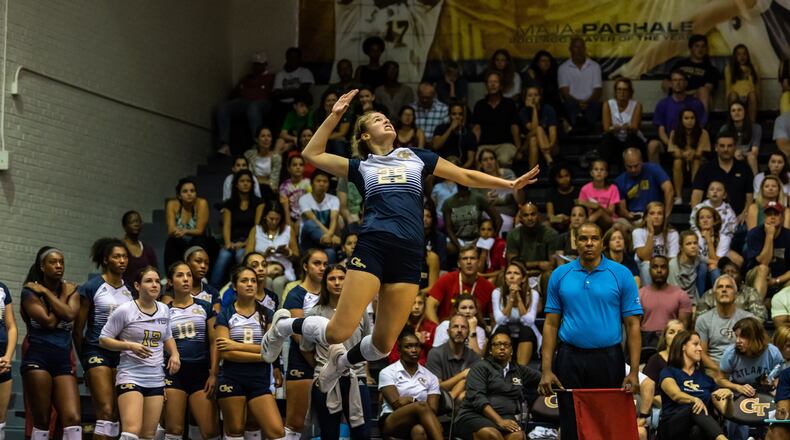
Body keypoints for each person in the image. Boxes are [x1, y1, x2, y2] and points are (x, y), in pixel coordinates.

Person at [259, 88, 538, 407]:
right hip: (374, 246)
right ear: (364, 135)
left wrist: (508, 184)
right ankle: (282, 324)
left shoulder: (417, 157)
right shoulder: (361, 167)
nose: (386, 120)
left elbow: (463, 174)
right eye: (378, 119)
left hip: (409, 255)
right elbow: (312, 154)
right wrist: (335, 115)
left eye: (386, 117)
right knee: (337, 332)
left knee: (380, 344)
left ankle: (342, 363)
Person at [539, 222, 642, 437]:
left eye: (594, 238)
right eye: (583, 239)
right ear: (575, 242)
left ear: (602, 243)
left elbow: (632, 325)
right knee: (570, 420)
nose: (589, 243)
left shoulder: (621, 274)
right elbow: (550, 324)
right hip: (569, 358)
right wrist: (546, 370)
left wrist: (633, 371)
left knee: (606, 419)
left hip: (608, 358)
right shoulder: (560, 275)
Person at [99, 266, 179, 440]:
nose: (155, 285)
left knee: (148, 435)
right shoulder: (125, 310)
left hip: (155, 377)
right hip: (131, 375)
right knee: (131, 432)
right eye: (149, 281)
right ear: (137, 286)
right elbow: (104, 339)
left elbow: (167, 336)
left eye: (157, 281)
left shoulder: (165, 309)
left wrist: (174, 354)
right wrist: (130, 346)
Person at [304, 264, 373, 439]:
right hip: (326, 379)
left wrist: (365, 371)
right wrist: (324, 368)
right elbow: (306, 348)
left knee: (362, 434)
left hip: (356, 377)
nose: (337, 282)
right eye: (332, 278)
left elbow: (366, 345)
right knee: (329, 434)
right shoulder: (315, 313)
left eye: (341, 278)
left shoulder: (360, 310)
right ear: (325, 283)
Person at [215, 267, 284, 440]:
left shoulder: (268, 314)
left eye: (253, 280)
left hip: (259, 380)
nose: (250, 284)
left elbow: (272, 350)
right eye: (244, 281)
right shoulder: (225, 314)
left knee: (276, 431)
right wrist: (262, 355)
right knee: (235, 429)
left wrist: (234, 345)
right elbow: (225, 354)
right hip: (232, 377)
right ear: (235, 287)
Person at [75, 238, 133, 440]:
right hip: (96, 350)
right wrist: (86, 361)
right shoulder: (92, 287)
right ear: (106, 259)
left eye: (125, 256)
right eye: (117, 256)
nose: (122, 260)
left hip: (121, 354)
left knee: (116, 415)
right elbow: (78, 328)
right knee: (106, 412)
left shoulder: (131, 291)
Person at [21, 247, 82, 440]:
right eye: (53, 262)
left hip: (62, 358)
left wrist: (48, 293)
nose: (58, 266)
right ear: (42, 266)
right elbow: (48, 322)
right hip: (38, 357)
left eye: (61, 262)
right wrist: (55, 294)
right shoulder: (30, 292)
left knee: (73, 417)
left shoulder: (72, 290)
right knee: (42, 419)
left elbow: (70, 314)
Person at [162, 262, 219, 440]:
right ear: (170, 282)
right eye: (180, 275)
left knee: (210, 431)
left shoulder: (205, 307)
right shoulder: (164, 310)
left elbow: (214, 341)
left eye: (188, 275)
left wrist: (214, 373)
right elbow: (158, 345)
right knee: (174, 430)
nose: (186, 279)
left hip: (201, 372)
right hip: (174, 373)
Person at [455, 330, 541, 440]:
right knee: (492, 435)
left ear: (511, 350)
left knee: (518, 436)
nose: (502, 347)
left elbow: (543, 379)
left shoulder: (518, 370)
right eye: (497, 344)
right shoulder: (480, 367)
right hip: (474, 415)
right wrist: (499, 421)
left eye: (506, 345)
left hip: (505, 416)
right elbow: (478, 399)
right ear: (490, 350)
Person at [280, 249, 327, 439]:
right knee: (296, 422)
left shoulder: (331, 292)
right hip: (303, 361)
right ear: (306, 266)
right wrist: (318, 364)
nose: (322, 268)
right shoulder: (296, 294)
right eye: (317, 263)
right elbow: (298, 336)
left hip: (328, 361)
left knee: (327, 421)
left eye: (325, 264)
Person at [657, 330, 733, 440]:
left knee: (697, 430)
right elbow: (675, 395)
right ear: (683, 346)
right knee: (695, 407)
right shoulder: (668, 372)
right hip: (672, 427)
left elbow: (726, 413)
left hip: (699, 429)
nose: (700, 349)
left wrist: (729, 398)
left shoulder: (707, 380)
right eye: (695, 344)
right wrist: (694, 399)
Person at [718, 317, 783, 440]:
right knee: (735, 420)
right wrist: (738, 387)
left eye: (743, 337)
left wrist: (773, 384)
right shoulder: (731, 353)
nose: (738, 341)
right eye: (736, 336)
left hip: (765, 393)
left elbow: (779, 377)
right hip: (739, 393)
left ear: (755, 337)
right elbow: (720, 379)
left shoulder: (772, 352)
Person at [377, 330, 443, 440]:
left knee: (419, 431)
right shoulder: (387, 372)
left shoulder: (431, 377)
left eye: (417, 346)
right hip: (392, 420)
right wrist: (417, 404)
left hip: (420, 422)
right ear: (399, 350)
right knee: (421, 406)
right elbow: (396, 405)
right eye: (408, 346)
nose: (414, 350)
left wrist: (411, 400)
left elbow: (433, 410)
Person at [210, 170, 263, 287]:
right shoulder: (229, 204)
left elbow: (257, 226)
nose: (245, 184)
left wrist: (246, 243)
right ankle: (212, 290)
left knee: (241, 256)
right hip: (233, 241)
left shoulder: (259, 203)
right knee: (223, 256)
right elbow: (227, 225)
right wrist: (228, 243)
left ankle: (243, 286)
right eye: (242, 181)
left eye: (248, 181)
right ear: (236, 184)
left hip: (250, 242)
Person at [216, 51, 274, 156]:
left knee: (253, 107)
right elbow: (234, 94)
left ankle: (258, 144)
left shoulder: (270, 77)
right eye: (255, 64)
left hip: (263, 103)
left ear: (265, 64)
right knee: (223, 107)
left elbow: (274, 95)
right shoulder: (246, 78)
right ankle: (224, 145)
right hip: (244, 102)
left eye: (260, 64)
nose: (257, 67)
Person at [691, 133, 755, 224]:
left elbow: (750, 198)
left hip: (739, 221)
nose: (726, 149)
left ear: (735, 147)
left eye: (729, 146)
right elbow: (696, 195)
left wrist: (743, 215)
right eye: (722, 146)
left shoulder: (745, 169)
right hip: (709, 222)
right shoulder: (705, 169)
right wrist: (697, 217)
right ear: (716, 147)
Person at [695, 275, 755, 371]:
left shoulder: (748, 318)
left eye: (728, 287)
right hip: (714, 369)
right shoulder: (703, 320)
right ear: (714, 294)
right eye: (720, 287)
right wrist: (719, 369)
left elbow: (753, 348)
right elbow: (701, 353)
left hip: (742, 368)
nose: (724, 290)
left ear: (735, 294)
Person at [647, 70, 707, 164]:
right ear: (671, 83)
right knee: (652, 145)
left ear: (686, 83)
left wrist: (691, 147)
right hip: (669, 144)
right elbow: (661, 131)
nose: (678, 83)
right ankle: (657, 177)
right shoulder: (663, 104)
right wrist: (671, 146)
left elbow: (700, 127)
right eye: (675, 80)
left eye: (680, 80)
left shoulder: (695, 103)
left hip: (691, 143)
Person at [426, 244, 494, 324]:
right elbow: (429, 306)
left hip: (475, 331)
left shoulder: (488, 287)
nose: (469, 262)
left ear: (478, 262)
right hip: (446, 331)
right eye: (465, 258)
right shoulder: (446, 279)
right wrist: (438, 330)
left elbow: (493, 318)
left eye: (472, 258)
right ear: (458, 263)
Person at [491, 262, 540, 365]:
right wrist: (511, 300)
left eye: (516, 273)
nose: (512, 276)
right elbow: (500, 320)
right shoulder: (497, 293)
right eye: (509, 273)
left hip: (527, 338)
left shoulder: (533, 294)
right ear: (505, 278)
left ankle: (520, 372)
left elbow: (529, 321)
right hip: (506, 337)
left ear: (523, 278)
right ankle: (502, 370)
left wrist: (518, 297)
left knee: (526, 330)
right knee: (502, 329)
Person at [245, 200, 298, 297]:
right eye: (271, 218)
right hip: (262, 269)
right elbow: (247, 256)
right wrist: (264, 255)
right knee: (267, 281)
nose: (274, 222)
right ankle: (266, 309)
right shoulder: (256, 230)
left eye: (277, 219)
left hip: (284, 269)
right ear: (265, 217)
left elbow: (297, 257)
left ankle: (279, 311)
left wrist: (288, 253)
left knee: (278, 283)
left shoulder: (288, 230)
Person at [639, 320, 686, 428]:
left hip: (688, 404)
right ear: (665, 337)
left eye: (680, 333)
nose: (676, 336)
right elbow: (649, 391)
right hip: (661, 407)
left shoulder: (691, 359)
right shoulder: (655, 360)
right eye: (671, 332)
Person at [639, 255, 693, 348]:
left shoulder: (681, 295)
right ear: (649, 270)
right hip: (646, 340)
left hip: (672, 341)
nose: (659, 270)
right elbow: (634, 327)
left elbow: (683, 329)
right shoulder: (639, 295)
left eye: (663, 267)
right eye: (655, 267)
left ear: (668, 270)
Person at [471, 71, 521, 168]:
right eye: (490, 82)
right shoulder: (480, 105)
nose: (493, 84)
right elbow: (477, 128)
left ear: (501, 85)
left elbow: (514, 126)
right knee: (480, 161)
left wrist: (518, 147)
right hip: (485, 144)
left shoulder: (509, 104)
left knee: (503, 160)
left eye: (496, 82)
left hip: (505, 144)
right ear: (486, 85)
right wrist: (473, 148)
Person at [425, 314, 480, 400]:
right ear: (448, 331)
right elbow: (435, 389)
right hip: (439, 402)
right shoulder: (435, 354)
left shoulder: (474, 357)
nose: (459, 330)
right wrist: (462, 375)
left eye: (463, 327)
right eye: (455, 326)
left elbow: (475, 388)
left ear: (468, 332)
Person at [744, 201, 790, 299]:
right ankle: (757, 309)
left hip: (780, 278)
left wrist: (777, 280)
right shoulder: (754, 234)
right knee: (763, 268)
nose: (772, 217)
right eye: (769, 214)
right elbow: (764, 261)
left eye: (776, 214)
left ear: (782, 217)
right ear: (765, 217)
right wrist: (769, 236)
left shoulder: (788, 236)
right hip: (755, 276)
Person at [698, 257, 766, 322]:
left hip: (744, 330)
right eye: (725, 272)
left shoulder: (750, 292)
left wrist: (742, 327)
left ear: (740, 277)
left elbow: (760, 316)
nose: (729, 275)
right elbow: (700, 318)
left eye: (733, 272)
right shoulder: (710, 294)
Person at [614, 148, 674, 221]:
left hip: (655, 214)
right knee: (619, 224)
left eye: (636, 166)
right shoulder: (620, 180)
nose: (633, 169)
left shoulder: (654, 169)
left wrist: (666, 215)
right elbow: (622, 209)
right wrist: (629, 216)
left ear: (641, 161)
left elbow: (669, 190)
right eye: (629, 167)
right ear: (624, 164)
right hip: (635, 217)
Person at [164, 177, 210, 270]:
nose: (189, 194)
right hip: (180, 239)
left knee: (199, 240)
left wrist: (184, 231)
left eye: (192, 191)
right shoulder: (172, 204)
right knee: (172, 241)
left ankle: (200, 275)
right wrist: (180, 232)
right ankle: (172, 273)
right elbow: (171, 230)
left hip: (198, 239)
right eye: (185, 191)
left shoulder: (202, 203)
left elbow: (200, 230)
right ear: (179, 195)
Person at [558, 36, 602, 132]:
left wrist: (586, 102)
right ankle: (577, 127)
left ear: (585, 49)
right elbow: (565, 93)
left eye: (581, 47)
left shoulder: (595, 66)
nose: (579, 50)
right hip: (572, 103)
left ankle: (586, 127)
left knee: (597, 105)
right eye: (576, 47)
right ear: (570, 49)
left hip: (591, 103)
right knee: (569, 104)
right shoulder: (563, 68)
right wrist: (579, 103)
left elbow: (597, 92)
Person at [669, 35, 720, 114]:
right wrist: (677, 89)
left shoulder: (711, 69)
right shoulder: (680, 64)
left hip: (697, 98)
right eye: (697, 46)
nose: (700, 49)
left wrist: (685, 93)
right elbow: (665, 83)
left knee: (703, 91)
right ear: (690, 48)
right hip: (678, 96)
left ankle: (703, 124)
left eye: (703, 46)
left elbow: (707, 89)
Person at [669, 108, 711, 204]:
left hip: (700, 161)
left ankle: (694, 195)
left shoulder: (703, 133)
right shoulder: (674, 133)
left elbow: (701, 153)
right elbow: (674, 152)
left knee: (696, 162)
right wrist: (684, 154)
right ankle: (679, 196)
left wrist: (693, 153)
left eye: (692, 118)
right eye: (686, 118)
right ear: (681, 120)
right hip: (682, 160)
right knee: (677, 162)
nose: (689, 121)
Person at [443, 183, 499, 255]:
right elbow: (448, 229)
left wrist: (491, 237)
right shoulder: (448, 202)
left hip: (478, 239)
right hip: (457, 240)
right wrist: (460, 247)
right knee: (447, 247)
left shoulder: (478, 198)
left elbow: (498, 219)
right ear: (455, 181)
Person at [298, 170, 340, 262]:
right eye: (318, 181)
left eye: (325, 181)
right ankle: (329, 242)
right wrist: (330, 237)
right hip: (308, 240)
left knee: (331, 253)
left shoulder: (334, 199)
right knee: (310, 223)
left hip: (327, 241)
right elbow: (313, 219)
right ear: (312, 183)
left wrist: (329, 234)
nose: (322, 184)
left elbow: (334, 219)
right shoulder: (304, 199)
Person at [633, 201, 679, 284]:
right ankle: (649, 296)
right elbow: (645, 257)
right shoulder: (638, 232)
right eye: (652, 213)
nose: (656, 216)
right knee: (646, 265)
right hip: (643, 268)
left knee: (672, 265)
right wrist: (651, 233)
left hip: (665, 267)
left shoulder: (673, 234)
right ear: (646, 217)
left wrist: (659, 268)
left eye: (660, 213)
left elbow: (672, 260)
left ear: (664, 217)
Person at [506, 202, 558, 275]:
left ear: (539, 216)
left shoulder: (551, 234)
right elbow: (513, 264)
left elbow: (551, 265)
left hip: (543, 275)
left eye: (533, 214)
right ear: (520, 218)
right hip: (521, 275)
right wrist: (538, 264)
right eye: (526, 215)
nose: (530, 218)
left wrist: (525, 265)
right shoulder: (512, 235)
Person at [161, 246, 220, 311]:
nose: (203, 266)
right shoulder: (173, 288)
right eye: (198, 261)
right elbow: (167, 314)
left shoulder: (212, 292)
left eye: (207, 263)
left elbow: (216, 317)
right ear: (187, 262)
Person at [602, 78, 645, 165]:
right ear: (615, 91)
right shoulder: (607, 104)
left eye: (625, 90)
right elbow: (606, 128)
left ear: (630, 92)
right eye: (619, 89)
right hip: (615, 137)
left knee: (631, 138)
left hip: (631, 138)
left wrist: (628, 127)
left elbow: (635, 127)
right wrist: (613, 128)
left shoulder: (637, 105)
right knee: (607, 139)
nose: (622, 92)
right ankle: (604, 169)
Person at [473, 148, 517, 233]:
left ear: (496, 161)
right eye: (485, 160)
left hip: (507, 214)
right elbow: (474, 203)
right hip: (487, 217)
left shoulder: (508, 174)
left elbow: (515, 197)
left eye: (491, 158)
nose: (489, 162)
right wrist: (486, 201)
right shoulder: (477, 180)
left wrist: (499, 201)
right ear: (481, 164)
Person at [388, 292, 437, 366]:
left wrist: (424, 343)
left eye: (420, 303)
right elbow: (392, 355)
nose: (417, 307)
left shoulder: (432, 327)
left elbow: (436, 356)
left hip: (425, 369)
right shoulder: (399, 326)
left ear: (424, 305)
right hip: (401, 368)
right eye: (413, 303)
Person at [520, 85, 559, 169]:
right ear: (525, 98)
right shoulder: (523, 112)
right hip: (528, 146)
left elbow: (553, 133)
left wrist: (549, 146)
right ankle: (548, 158)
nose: (533, 98)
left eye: (536, 95)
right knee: (537, 131)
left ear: (540, 97)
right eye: (530, 95)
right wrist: (534, 109)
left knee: (534, 139)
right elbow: (533, 130)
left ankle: (531, 174)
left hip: (548, 144)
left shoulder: (548, 109)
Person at [690, 181, 738, 245]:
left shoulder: (729, 212)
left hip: (721, 242)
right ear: (707, 194)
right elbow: (694, 226)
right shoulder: (698, 208)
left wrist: (715, 239)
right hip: (700, 240)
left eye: (719, 190)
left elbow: (730, 231)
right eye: (712, 189)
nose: (715, 192)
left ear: (724, 195)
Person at [721, 101, 761, 175]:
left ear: (745, 112)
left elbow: (755, 151)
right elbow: (721, 149)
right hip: (730, 156)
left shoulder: (756, 128)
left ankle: (755, 183)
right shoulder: (724, 128)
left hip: (747, 157)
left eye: (739, 110)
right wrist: (733, 154)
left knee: (752, 157)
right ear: (730, 114)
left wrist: (741, 154)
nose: (736, 113)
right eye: (733, 110)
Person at [431, 102, 477, 167]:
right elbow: (435, 146)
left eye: (460, 114)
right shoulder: (441, 128)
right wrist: (450, 129)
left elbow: (471, 159)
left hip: (460, 165)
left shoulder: (469, 134)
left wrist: (461, 172)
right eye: (454, 114)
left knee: (453, 162)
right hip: (441, 164)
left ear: (463, 116)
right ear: (449, 115)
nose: (457, 117)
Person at [578, 158, 620, 230]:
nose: (599, 172)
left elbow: (611, 212)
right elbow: (581, 206)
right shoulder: (585, 189)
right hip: (591, 217)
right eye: (596, 169)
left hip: (608, 219)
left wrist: (599, 207)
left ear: (606, 173)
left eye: (602, 169)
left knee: (600, 212)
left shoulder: (613, 188)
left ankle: (584, 226)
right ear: (591, 173)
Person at [121, 210, 159, 287]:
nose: (136, 224)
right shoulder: (119, 247)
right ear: (125, 226)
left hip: (144, 293)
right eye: (132, 222)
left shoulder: (148, 249)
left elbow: (156, 273)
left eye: (139, 222)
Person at [667, 230, 707, 302]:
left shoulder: (697, 258)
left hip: (695, 299)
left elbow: (712, 261)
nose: (693, 246)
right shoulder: (673, 265)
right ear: (681, 248)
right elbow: (674, 293)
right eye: (688, 244)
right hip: (679, 302)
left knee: (703, 266)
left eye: (695, 243)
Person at [725, 44, 760, 123]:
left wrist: (758, 99)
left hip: (749, 96)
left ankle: (752, 124)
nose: (742, 56)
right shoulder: (729, 68)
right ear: (735, 56)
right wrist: (727, 99)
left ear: (747, 55)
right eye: (739, 54)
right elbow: (727, 86)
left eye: (744, 54)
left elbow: (757, 86)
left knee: (753, 95)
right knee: (733, 95)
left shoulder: (753, 67)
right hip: (736, 96)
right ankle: (734, 122)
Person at [243, 127, 282, 199]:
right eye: (263, 136)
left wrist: (256, 179)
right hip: (249, 191)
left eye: (269, 136)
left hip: (268, 192)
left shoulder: (276, 158)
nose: (266, 139)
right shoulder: (248, 155)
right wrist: (265, 179)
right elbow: (245, 177)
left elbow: (274, 182)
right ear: (256, 139)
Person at [313, 90, 352, 158]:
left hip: (340, 140)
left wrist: (327, 137)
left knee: (338, 145)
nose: (331, 103)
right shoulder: (319, 113)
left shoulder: (344, 112)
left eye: (334, 100)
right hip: (325, 140)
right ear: (324, 102)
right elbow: (319, 132)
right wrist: (329, 114)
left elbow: (342, 132)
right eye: (328, 100)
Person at [0, 280, 15, 440]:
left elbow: (11, 326)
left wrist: (8, 356)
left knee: (0, 422)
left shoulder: (2, 288)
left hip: (2, 360)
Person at [279, 154, 312, 227]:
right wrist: (289, 224)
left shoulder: (308, 184)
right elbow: (285, 208)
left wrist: (301, 220)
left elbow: (311, 205)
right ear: (288, 168)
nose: (298, 167)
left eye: (301, 165)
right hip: (290, 217)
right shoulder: (284, 186)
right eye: (294, 165)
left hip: (307, 216)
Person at [545, 164, 580, 232]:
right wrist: (558, 219)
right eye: (560, 177)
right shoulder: (551, 192)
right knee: (545, 225)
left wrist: (568, 219)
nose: (564, 179)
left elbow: (580, 213)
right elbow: (550, 215)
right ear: (555, 178)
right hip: (556, 221)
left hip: (572, 221)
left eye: (566, 176)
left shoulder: (577, 192)